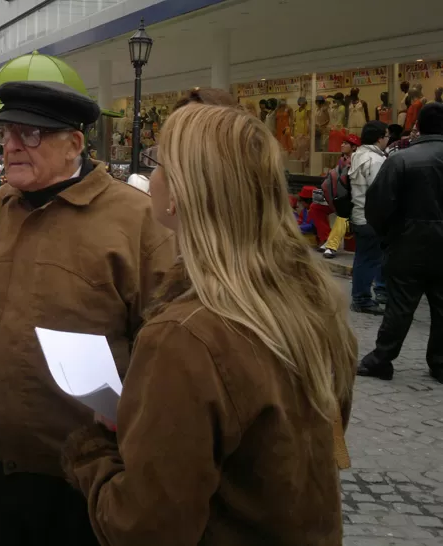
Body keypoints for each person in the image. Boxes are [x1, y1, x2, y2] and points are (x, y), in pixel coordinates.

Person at [62, 102, 357, 545]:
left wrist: (93, 453)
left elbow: (144, 528)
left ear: (181, 191)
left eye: (157, 163)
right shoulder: (310, 299)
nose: (151, 177)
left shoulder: (185, 336)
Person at [0, 81, 175, 545]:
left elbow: (167, 348)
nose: (11, 145)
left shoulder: (137, 221)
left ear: (74, 144)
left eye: (31, 134)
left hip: (84, 475)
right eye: (8, 131)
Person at [359, 103, 443, 383]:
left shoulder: (401, 160)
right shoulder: (403, 159)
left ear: (419, 124)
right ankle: (440, 362)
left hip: (408, 245)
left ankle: (382, 359)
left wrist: (388, 236)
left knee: (399, 307)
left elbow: (378, 205)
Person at [348, 120, 390, 314]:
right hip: (370, 217)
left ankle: (360, 296)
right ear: (379, 137)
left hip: (359, 214)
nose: (388, 140)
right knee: (369, 259)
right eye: (387, 136)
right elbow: (379, 191)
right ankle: (362, 299)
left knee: (362, 258)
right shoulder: (375, 160)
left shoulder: (358, 155)